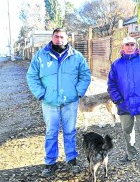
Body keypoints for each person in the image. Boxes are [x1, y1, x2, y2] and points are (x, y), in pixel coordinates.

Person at [26, 28, 91, 177]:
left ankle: (71, 160)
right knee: (51, 132)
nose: (59, 39)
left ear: (67, 39)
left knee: (70, 132)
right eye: (56, 37)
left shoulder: (77, 57)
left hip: (70, 102)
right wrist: (41, 94)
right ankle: (50, 163)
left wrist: (78, 92)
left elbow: (85, 75)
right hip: (49, 103)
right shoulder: (41, 56)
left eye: (62, 37)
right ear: (52, 38)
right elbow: (32, 76)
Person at [107, 36, 140, 169]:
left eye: (132, 45)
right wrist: (118, 100)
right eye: (127, 45)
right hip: (124, 105)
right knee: (127, 130)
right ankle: (131, 154)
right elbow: (111, 84)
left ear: (136, 46)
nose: (130, 47)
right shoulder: (116, 64)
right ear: (122, 47)